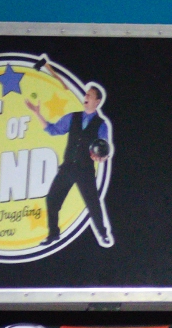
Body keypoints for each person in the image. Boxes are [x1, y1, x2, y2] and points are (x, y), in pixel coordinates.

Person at [27, 62, 113, 248]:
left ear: (97, 101)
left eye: (89, 95)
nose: (86, 97)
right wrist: (37, 113)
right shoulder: (72, 117)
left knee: (93, 204)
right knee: (52, 200)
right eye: (85, 94)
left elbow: (104, 146)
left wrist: (102, 157)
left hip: (85, 169)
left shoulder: (101, 124)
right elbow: (52, 130)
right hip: (68, 167)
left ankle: (103, 234)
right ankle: (53, 234)